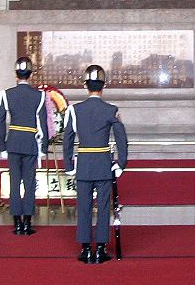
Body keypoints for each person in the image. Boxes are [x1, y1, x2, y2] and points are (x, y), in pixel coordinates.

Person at [62, 65, 128, 263]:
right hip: (103, 163)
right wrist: (120, 164)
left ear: (85, 85)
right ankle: (100, 248)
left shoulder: (74, 110)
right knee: (103, 205)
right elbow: (121, 138)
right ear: (103, 86)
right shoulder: (111, 110)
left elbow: (67, 140)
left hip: (83, 164)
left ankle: (85, 249)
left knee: (83, 206)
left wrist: (68, 166)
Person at [0, 56, 49, 235]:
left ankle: (16, 222)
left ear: (15, 75)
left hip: (13, 142)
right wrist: (43, 148)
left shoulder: (6, 94)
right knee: (29, 181)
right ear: (31, 75)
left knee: (14, 181)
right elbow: (43, 123)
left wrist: (2, 146)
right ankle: (27, 222)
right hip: (30, 143)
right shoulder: (39, 95)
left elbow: (1, 122)